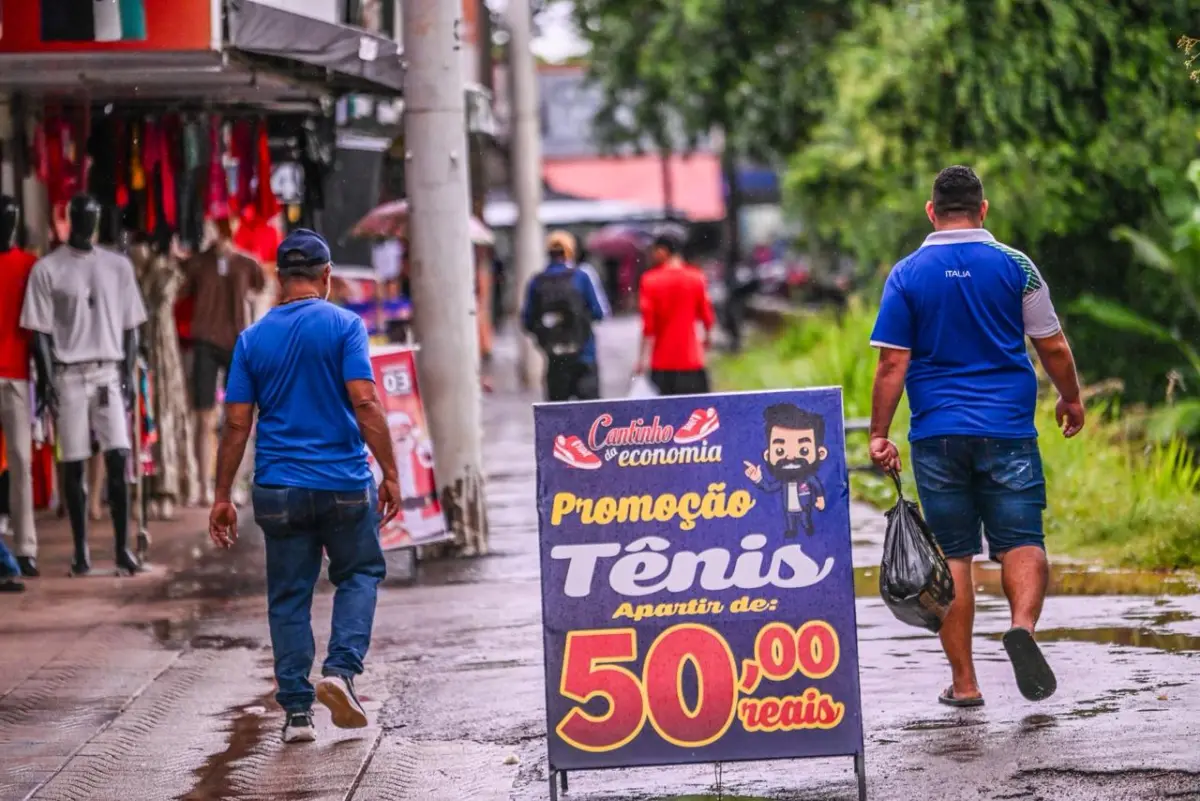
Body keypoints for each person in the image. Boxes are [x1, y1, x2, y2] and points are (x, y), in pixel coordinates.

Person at [867, 165, 1085, 708]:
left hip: (937, 435)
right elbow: (1052, 345)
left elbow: (893, 362)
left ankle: (964, 684)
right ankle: (1022, 628)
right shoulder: (1017, 267)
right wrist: (1071, 398)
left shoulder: (907, 273)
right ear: (983, 209)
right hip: (1007, 430)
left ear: (931, 211)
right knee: (1022, 540)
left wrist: (878, 433)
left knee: (953, 555)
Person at [208, 229, 401, 744]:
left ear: (277, 279)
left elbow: (235, 425)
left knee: (289, 597)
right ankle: (339, 672)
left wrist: (223, 494)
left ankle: (296, 714)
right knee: (359, 573)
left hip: (277, 488)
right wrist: (392, 472)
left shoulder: (252, 340)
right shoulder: (344, 326)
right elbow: (364, 401)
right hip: (342, 482)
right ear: (327, 276)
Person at [0, 194, 39, 577]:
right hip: (12, 378)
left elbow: (40, 330)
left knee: (22, 463)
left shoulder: (31, 266)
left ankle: (26, 547)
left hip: (16, 376)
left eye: (10, 218)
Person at [521, 231, 607, 401]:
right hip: (584, 355)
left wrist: (549, 334)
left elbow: (527, 321)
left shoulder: (536, 281)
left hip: (555, 358)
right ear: (570, 251)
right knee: (590, 417)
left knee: (558, 415)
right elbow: (598, 312)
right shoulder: (581, 277)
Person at [636, 232, 716, 395]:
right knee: (696, 414)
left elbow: (648, 327)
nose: (652, 255)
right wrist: (707, 337)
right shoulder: (696, 277)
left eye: (654, 250)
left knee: (667, 417)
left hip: (662, 363)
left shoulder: (650, 280)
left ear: (663, 251)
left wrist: (642, 359)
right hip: (692, 361)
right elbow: (707, 317)